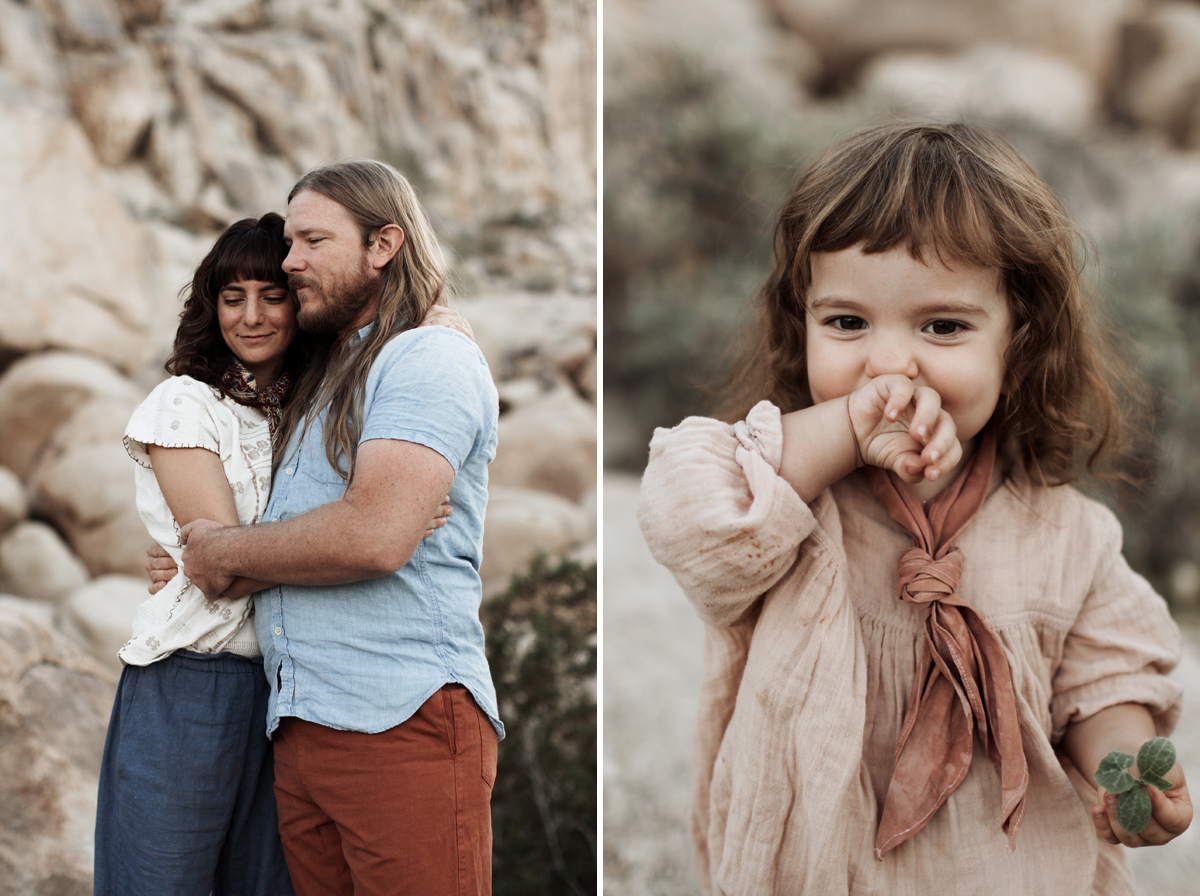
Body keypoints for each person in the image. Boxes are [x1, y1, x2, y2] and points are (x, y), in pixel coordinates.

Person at [636, 121, 1192, 895]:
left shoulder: (1069, 535)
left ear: (1020, 342)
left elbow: (1106, 681)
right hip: (822, 873)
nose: (889, 361)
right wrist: (846, 429)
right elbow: (690, 517)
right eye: (847, 322)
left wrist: (1123, 768)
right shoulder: (787, 498)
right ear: (802, 327)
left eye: (943, 326)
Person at [98, 212, 458, 896]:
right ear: (212, 308)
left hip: (289, 693)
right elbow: (221, 570)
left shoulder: (313, 412)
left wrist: (385, 515)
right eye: (232, 298)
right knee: (157, 883)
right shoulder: (184, 403)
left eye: (272, 295)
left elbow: (245, 550)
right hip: (189, 679)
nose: (252, 317)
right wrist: (370, 525)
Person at [173, 160, 502, 896]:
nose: (290, 262)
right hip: (302, 728)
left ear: (383, 246)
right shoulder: (328, 372)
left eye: (311, 241)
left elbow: (373, 538)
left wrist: (224, 552)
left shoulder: (427, 357)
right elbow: (331, 531)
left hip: (402, 722)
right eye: (290, 242)